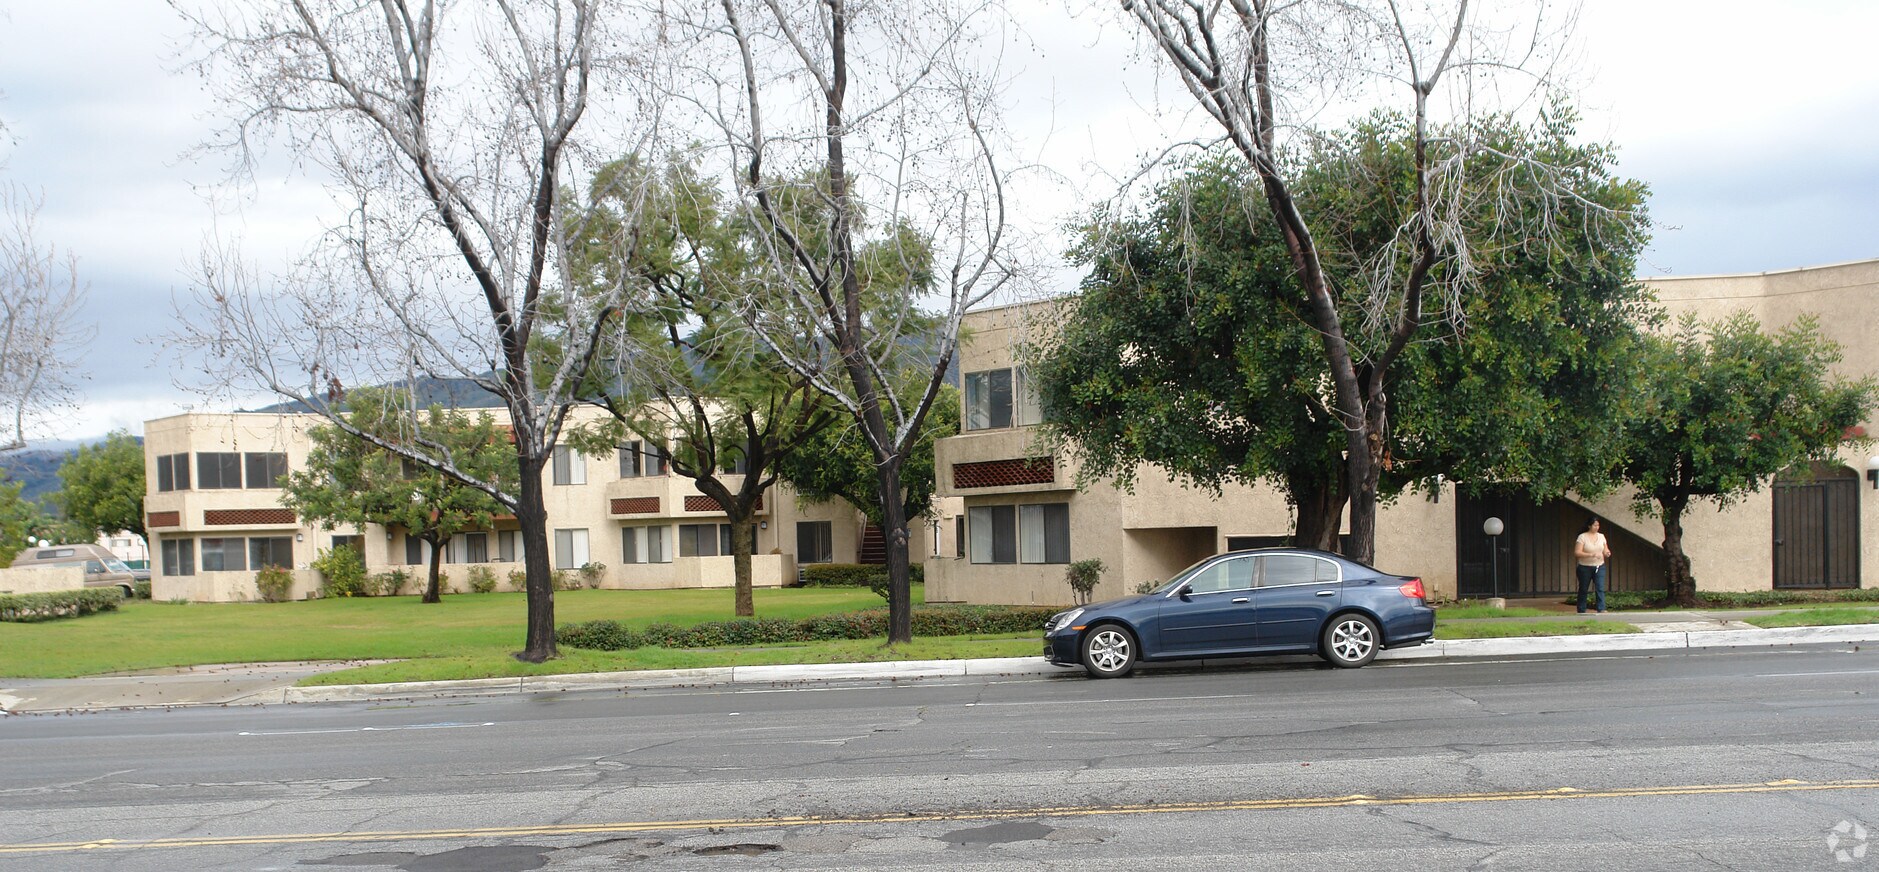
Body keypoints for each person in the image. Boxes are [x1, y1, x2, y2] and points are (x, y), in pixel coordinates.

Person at [1574, 517, 1613, 614]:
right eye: (1595, 525)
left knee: (1600, 587)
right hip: (1584, 567)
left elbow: (1605, 549)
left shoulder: (1601, 536)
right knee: (1583, 588)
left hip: (1599, 566)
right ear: (1589, 526)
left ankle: (1601, 608)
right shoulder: (1582, 537)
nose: (1597, 527)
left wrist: (1607, 552)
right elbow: (1577, 552)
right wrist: (1590, 554)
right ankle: (1581, 609)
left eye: (1598, 525)